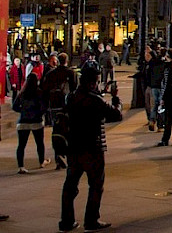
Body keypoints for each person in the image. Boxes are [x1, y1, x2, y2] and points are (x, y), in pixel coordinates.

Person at [59, 61, 123, 233]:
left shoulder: (71, 97)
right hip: (93, 148)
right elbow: (116, 115)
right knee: (95, 185)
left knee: (70, 185)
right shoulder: (95, 100)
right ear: (93, 82)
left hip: (74, 147)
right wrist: (116, 98)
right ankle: (91, 219)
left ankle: (66, 221)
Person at [42, 52, 78, 170]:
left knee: (56, 131)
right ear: (67, 61)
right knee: (68, 131)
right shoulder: (70, 73)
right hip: (67, 106)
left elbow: (45, 89)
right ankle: (68, 156)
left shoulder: (51, 73)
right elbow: (75, 89)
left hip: (54, 106)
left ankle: (58, 157)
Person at [13, 72, 49, 173]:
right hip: (36, 121)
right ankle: (41, 161)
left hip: (23, 121)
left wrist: (23, 111)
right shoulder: (39, 92)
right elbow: (44, 107)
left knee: (21, 145)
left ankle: (21, 166)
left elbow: (14, 106)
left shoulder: (22, 93)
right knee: (39, 143)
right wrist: (38, 113)